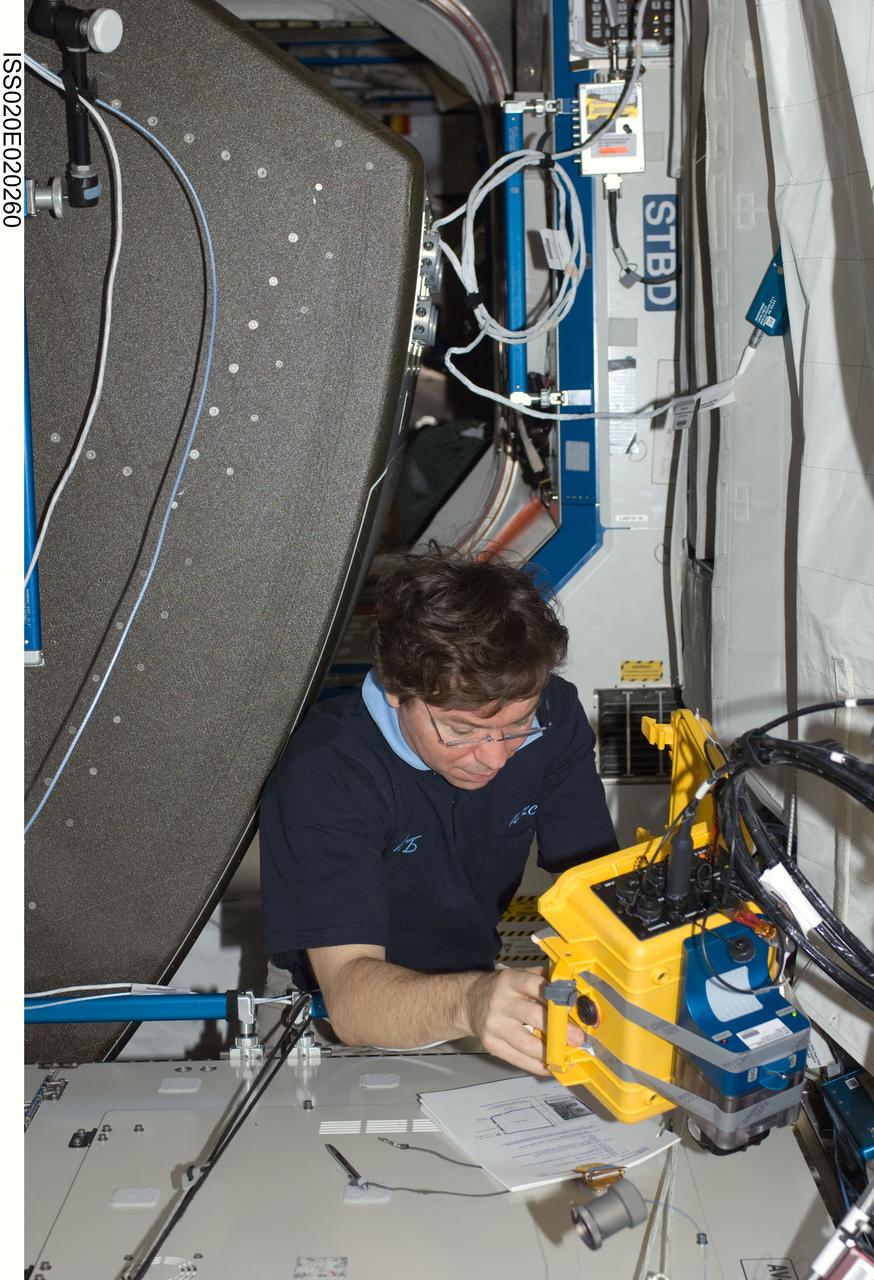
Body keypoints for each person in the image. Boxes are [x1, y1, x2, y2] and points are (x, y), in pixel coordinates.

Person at [259, 548, 618, 1074]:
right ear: (396, 688)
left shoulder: (554, 714)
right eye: (462, 731)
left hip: (476, 993)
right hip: (327, 1018)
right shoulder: (327, 773)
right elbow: (352, 1002)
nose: (494, 757)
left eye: (517, 727)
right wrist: (471, 1002)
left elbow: (591, 887)